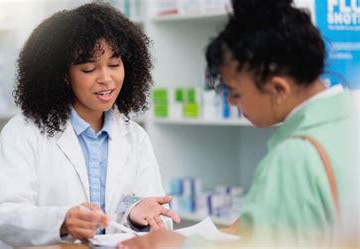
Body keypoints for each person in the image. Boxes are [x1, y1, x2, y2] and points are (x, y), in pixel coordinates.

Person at [119, 0, 359, 248]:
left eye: (234, 92)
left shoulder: (294, 158)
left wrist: (179, 245)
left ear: (278, 88)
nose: (231, 101)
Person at [0, 3, 180, 249]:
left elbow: (148, 218)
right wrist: (62, 222)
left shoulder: (134, 136)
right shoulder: (24, 132)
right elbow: (4, 217)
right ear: (63, 74)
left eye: (114, 64)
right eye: (89, 68)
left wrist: (136, 212)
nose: (106, 79)